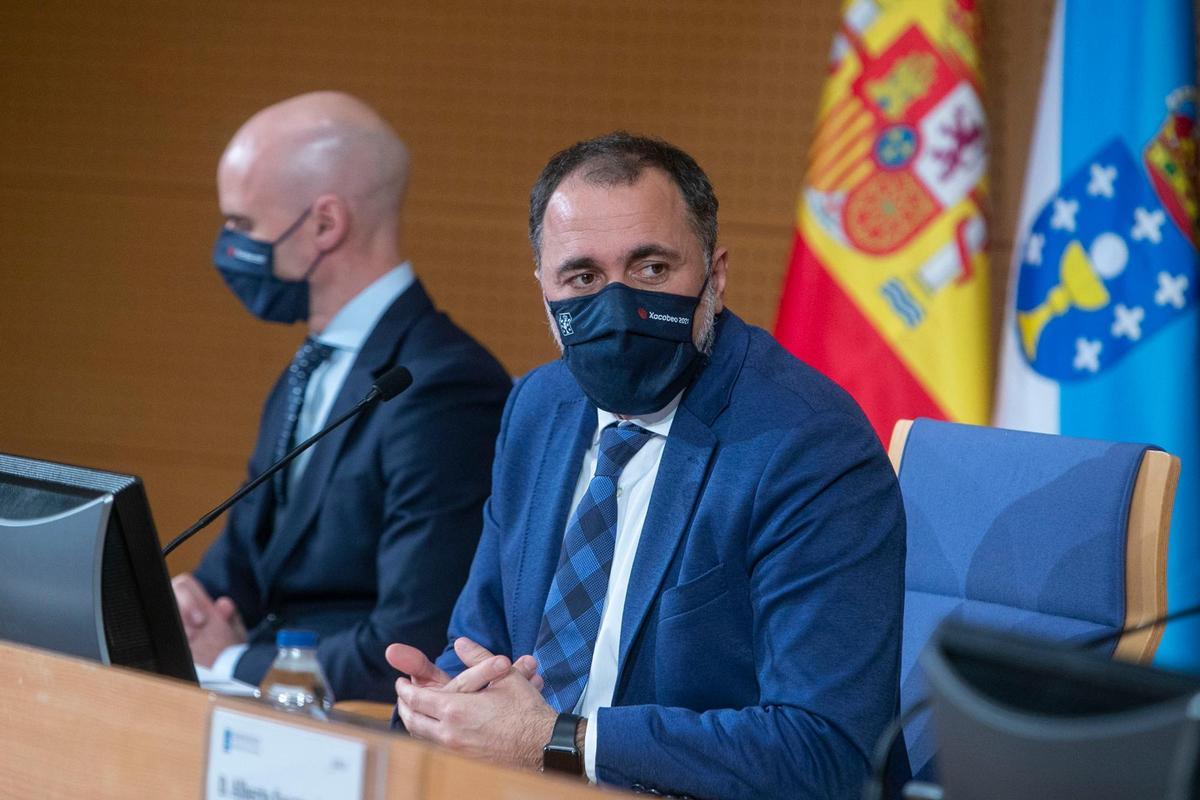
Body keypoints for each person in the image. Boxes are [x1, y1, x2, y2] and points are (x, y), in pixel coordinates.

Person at [385, 132, 907, 798]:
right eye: (582, 277)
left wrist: (560, 740)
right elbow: (477, 638)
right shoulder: (537, 408)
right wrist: (445, 703)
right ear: (543, 290)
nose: (616, 306)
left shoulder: (807, 444)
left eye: (652, 270)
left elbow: (824, 752)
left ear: (715, 276)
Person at [172, 92, 511, 702]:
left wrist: (235, 662)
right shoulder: (307, 369)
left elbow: (409, 641)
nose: (228, 245)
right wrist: (184, 605)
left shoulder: (444, 385)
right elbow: (241, 570)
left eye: (242, 225)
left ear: (326, 224)